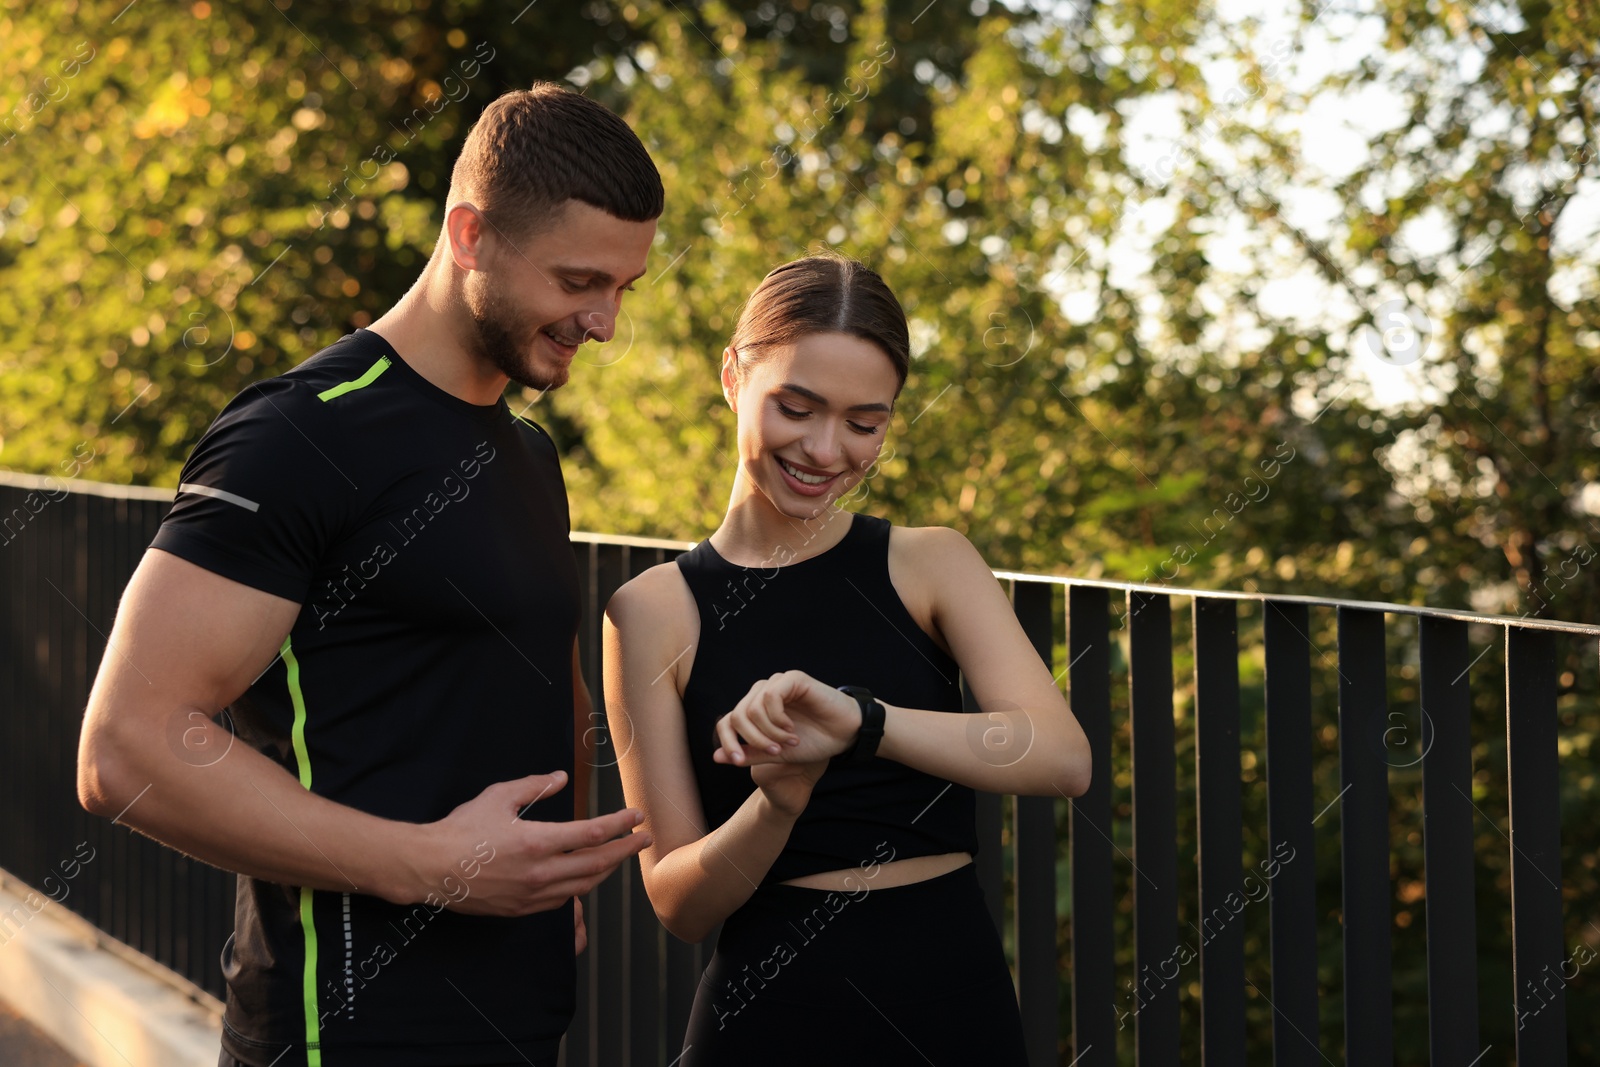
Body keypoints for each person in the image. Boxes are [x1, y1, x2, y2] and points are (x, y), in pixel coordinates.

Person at [76, 84, 661, 1067]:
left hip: (519, 1021)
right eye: (578, 281)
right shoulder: (298, 434)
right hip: (337, 1030)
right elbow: (126, 748)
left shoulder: (527, 456)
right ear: (469, 234)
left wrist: (546, 882)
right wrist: (431, 866)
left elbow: (528, 668)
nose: (603, 321)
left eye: (621, 289)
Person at [603, 253, 1093, 1065]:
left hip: (954, 1008)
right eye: (796, 408)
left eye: (865, 423)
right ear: (733, 375)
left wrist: (864, 723)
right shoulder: (651, 610)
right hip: (769, 1020)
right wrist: (780, 802)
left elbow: (1062, 755)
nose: (826, 450)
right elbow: (679, 902)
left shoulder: (932, 562)